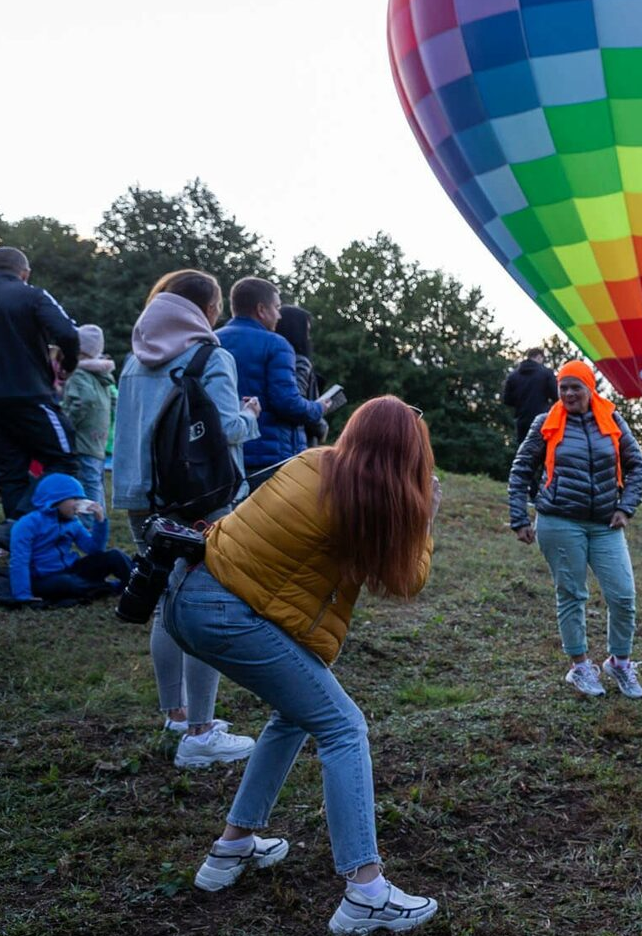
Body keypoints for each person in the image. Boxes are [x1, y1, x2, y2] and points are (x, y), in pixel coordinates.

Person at [165, 396, 439, 932]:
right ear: (408, 454)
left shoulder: (315, 462)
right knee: (343, 726)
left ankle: (232, 847)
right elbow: (407, 580)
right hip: (226, 612)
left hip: (191, 593)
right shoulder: (367, 498)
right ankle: (366, 891)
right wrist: (426, 519)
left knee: (295, 714)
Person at [113, 270, 261, 767]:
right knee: (204, 605)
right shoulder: (210, 356)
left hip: (140, 497)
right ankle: (201, 732)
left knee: (165, 603)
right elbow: (225, 429)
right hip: (201, 500)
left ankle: (175, 716)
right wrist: (251, 415)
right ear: (208, 309)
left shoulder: (135, 359)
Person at [508, 360, 642, 698]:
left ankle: (619, 662)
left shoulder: (612, 420)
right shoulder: (545, 422)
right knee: (572, 594)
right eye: (563, 388)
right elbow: (521, 469)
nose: (569, 393)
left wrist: (625, 507)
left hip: (605, 523)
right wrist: (519, 518)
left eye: (576, 387)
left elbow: (637, 465)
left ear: (590, 388)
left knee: (623, 595)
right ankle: (580, 667)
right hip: (559, 520)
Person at [0, 245, 80, 520]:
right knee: (64, 458)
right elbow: (68, 333)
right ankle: (22, 520)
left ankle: (16, 531)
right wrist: (67, 366)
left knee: (11, 470)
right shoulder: (33, 295)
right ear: (25, 273)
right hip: (30, 394)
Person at [218, 278, 325, 489]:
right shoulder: (276, 344)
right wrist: (318, 408)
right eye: (276, 308)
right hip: (271, 460)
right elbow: (287, 403)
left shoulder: (212, 340)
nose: (279, 315)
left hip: (224, 457)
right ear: (261, 309)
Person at [8, 473, 131, 604]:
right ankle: (109, 587)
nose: (79, 503)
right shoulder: (27, 524)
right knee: (67, 584)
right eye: (75, 498)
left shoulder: (73, 522)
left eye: (80, 498)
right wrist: (22, 595)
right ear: (56, 500)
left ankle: (138, 583)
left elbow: (94, 549)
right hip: (44, 578)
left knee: (114, 555)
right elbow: (19, 560)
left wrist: (100, 522)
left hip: (71, 570)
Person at [60, 325, 117, 509]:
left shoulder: (79, 373)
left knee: (85, 484)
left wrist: (67, 424)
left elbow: (83, 400)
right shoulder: (103, 375)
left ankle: (90, 520)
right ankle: (100, 521)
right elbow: (114, 400)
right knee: (95, 481)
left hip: (81, 439)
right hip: (97, 438)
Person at [275, 304, 330, 448]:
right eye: (307, 331)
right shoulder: (300, 362)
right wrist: (320, 420)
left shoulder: (272, 359)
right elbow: (296, 404)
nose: (309, 337)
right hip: (298, 442)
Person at [502, 347, 558, 446]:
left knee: (524, 450)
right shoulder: (546, 373)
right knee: (543, 449)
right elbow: (556, 396)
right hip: (542, 419)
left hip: (522, 420)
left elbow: (507, 400)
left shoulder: (513, 376)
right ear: (539, 357)